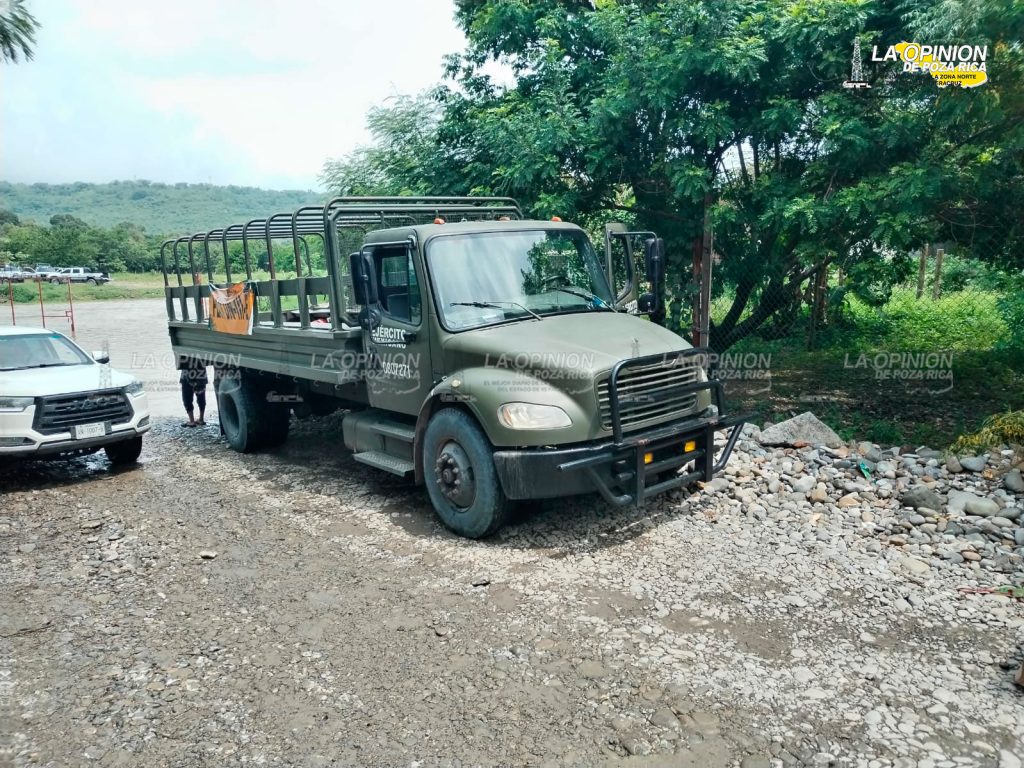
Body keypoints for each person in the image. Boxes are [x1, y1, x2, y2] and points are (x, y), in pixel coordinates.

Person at [180, 358, 208, 427]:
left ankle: (192, 421)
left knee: (187, 397)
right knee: (201, 396)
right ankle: (201, 419)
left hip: (187, 371)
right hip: (201, 372)